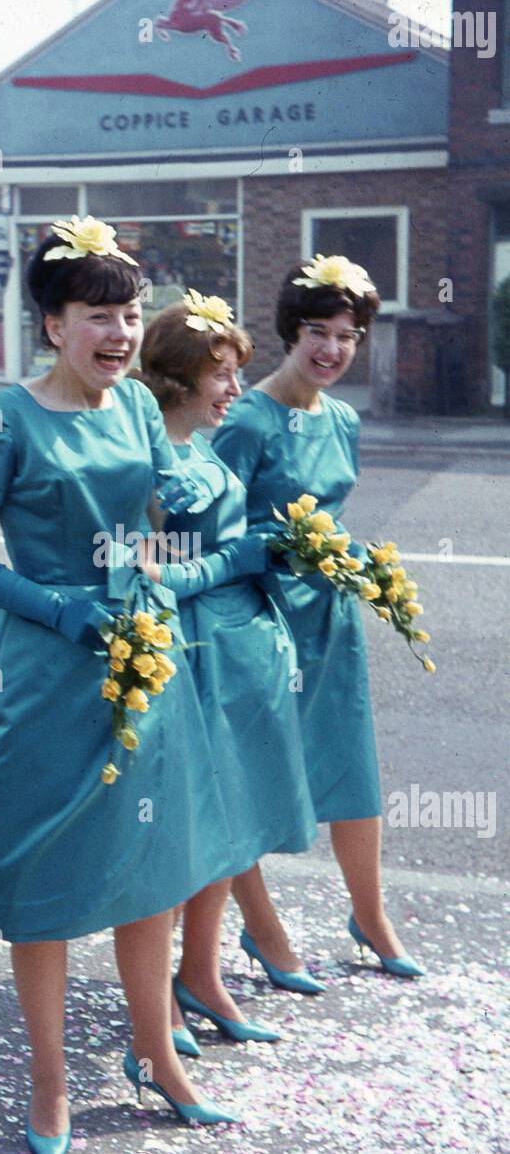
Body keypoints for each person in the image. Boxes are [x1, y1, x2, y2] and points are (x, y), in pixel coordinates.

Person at [0, 216, 268, 1154]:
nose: (119, 334)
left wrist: (194, 508)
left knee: (148, 867)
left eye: (128, 314)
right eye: (96, 316)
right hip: (41, 667)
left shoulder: (129, 410)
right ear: (52, 324)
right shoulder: (3, 418)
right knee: (44, 882)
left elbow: (158, 518)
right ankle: (49, 1078)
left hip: (140, 655)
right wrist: (57, 608)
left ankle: (156, 1051)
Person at [212, 256, 425, 986]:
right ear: (288, 331)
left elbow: (331, 518)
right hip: (260, 617)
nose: (332, 349)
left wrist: (361, 566)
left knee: (353, 772)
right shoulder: (245, 420)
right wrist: (282, 548)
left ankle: (370, 915)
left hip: (330, 621)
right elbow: (210, 532)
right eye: (317, 331)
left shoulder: (343, 418)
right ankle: (263, 931)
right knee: (246, 780)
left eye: (348, 334)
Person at [135, 290, 323, 1050]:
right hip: (187, 654)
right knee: (185, 825)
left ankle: (202, 973)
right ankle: (162, 997)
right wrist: (228, 559)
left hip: (238, 652)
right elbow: (147, 572)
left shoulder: (208, 447)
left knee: (232, 817)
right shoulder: (150, 462)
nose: (237, 391)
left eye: (240, 375)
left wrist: (272, 552)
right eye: (223, 376)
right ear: (180, 377)